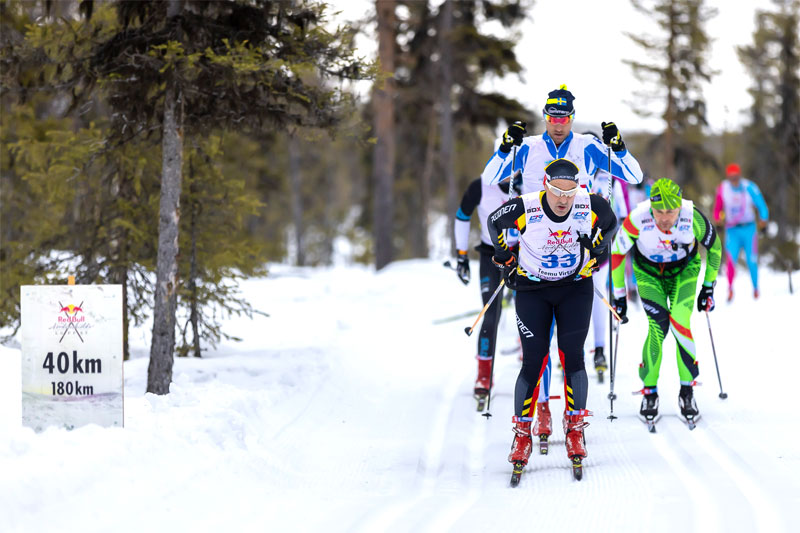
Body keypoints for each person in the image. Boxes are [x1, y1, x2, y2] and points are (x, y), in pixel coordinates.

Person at [480, 84, 644, 451]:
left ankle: (573, 423)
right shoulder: (530, 147)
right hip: (535, 248)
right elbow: (491, 178)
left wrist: (618, 147)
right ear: (546, 117)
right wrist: (507, 147)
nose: (557, 124)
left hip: (576, 251)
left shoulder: (586, 146)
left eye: (563, 117)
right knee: (536, 351)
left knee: (571, 348)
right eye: (552, 117)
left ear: (571, 117)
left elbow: (632, 176)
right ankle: (541, 409)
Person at [486, 158, 618, 481]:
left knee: (573, 357)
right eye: (557, 191)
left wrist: (599, 249)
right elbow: (493, 222)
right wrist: (505, 258)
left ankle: (574, 428)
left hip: (575, 288)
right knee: (534, 361)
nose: (563, 199)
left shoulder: (588, 204)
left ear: (578, 188)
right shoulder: (527, 207)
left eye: (570, 192)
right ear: (545, 185)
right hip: (533, 290)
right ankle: (521, 436)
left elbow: (612, 221)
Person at [610, 178, 722, 426]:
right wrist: (619, 295)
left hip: (684, 271)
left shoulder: (691, 216)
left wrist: (708, 287)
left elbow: (714, 248)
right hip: (649, 274)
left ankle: (687, 391)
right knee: (658, 326)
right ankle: (649, 392)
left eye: (670, 212)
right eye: (658, 211)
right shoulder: (639, 217)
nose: (663, 218)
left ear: (679, 207)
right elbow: (617, 252)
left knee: (680, 322)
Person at [453, 174, 520, 409]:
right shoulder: (480, 186)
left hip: (523, 254)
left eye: (514, 171)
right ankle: (484, 375)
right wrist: (461, 256)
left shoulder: (531, 181)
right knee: (490, 313)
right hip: (490, 255)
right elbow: (462, 215)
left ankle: (531, 361)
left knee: (530, 313)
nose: (510, 176)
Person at [712, 163, 769, 301]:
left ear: (740, 175)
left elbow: (761, 205)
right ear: (728, 177)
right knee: (731, 261)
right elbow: (717, 208)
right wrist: (718, 220)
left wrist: (763, 220)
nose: (734, 180)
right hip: (732, 231)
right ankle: (730, 289)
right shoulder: (723, 188)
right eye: (731, 177)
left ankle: (756, 289)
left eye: (736, 177)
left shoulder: (749, 187)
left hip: (749, 229)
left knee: (752, 260)